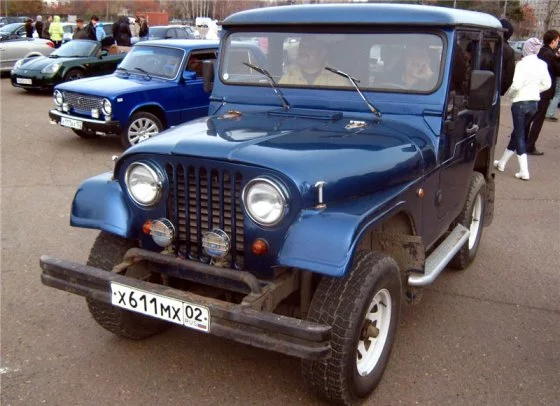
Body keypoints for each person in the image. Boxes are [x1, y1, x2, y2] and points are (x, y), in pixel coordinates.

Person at [493, 38, 551, 181]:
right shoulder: (542, 64)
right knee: (517, 133)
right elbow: (547, 84)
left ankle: (524, 171)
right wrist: (535, 90)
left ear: (525, 49)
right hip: (534, 103)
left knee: (519, 136)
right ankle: (502, 162)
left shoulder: (521, 65)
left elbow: (516, 85)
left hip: (520, 102)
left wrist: (511, 95)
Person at [525, 29, 560, 155]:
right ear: (553, 41)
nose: (558, 43)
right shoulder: (549, 54)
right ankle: (530, 145)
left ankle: (523, 141)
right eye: (557, 41)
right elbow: (558, 70)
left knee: (530, 116)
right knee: (538, 120)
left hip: (536, 88)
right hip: (544, 91)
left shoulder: (541, 51)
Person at [279, 36, 346, 86]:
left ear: (322, 52)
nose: (303, 51)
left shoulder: (337, 78)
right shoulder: (290, 75)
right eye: (302, 46)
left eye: (310, 47)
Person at [500, 18, 515, 95]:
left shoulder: (487, 43)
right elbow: (509, 76)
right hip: (495, 90)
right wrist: (501, 91)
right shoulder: (509, 51)